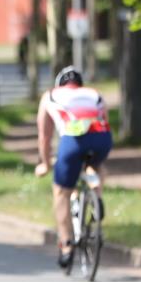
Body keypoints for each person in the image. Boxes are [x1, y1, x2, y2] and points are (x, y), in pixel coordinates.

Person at [34, 66, 112, 269]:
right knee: (95, 165)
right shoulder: (94, 93)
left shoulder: (50, 96)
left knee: (61, 192)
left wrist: (44, 163)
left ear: (59, 84)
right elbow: (105, 120)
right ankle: (97, 195)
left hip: (73, 140)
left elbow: (45, 137)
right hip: (101, 138)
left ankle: (67, 245)